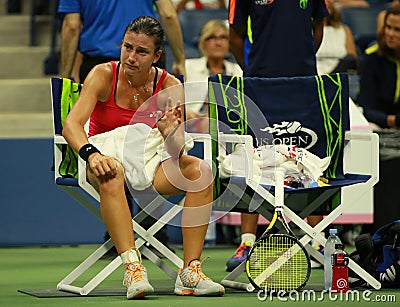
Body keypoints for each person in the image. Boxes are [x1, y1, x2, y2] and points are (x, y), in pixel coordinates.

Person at [62, 16, 225, 299]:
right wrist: (91, 154)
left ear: (157, 55)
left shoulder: (169, 85)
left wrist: (169, 133)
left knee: (200, 171)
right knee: (112, 172)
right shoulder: (102, 74)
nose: (131, 57)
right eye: (127, 48)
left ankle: (190, 272)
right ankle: (133, 268)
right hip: (102, 159)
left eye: (141, 52)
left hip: (148, 163)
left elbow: (177, 153)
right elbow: (71, 125)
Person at [226, 0, 328, 272]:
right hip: (260, 82)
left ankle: (316, 237)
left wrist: (301, 63)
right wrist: (253, 71)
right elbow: (234, 36)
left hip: (304, 80)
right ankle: (248, 241)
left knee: (307, 153)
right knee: (253, 157)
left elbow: (318, 26)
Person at [58, 0, 186, 83]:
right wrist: (180, 61)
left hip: (96, 65)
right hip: (144, 61)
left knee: (97, 124)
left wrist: (65, 76)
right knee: (150, 123)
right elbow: (168, 15)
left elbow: (72, 25)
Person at [185, 19, 242, 133]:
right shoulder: (187, 67)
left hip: (228, 124)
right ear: (203, 42)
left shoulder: (238, 71)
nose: (218, 43)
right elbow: (173, 101)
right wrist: (187, 113)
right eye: (212, 38)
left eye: (223, 38)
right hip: (192, 123)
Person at [358, 6, 400, 129]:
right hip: (378, 123)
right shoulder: (372, 58)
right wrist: (392, 121)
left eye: (397, 30)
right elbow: (366, 107)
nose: (390, 34)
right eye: (388, 27)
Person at [316, 0, 359, 75]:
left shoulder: (344, 30)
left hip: (339, 75)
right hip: (315, 76)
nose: (327, 2)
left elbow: (352, 58)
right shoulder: (308, 31)